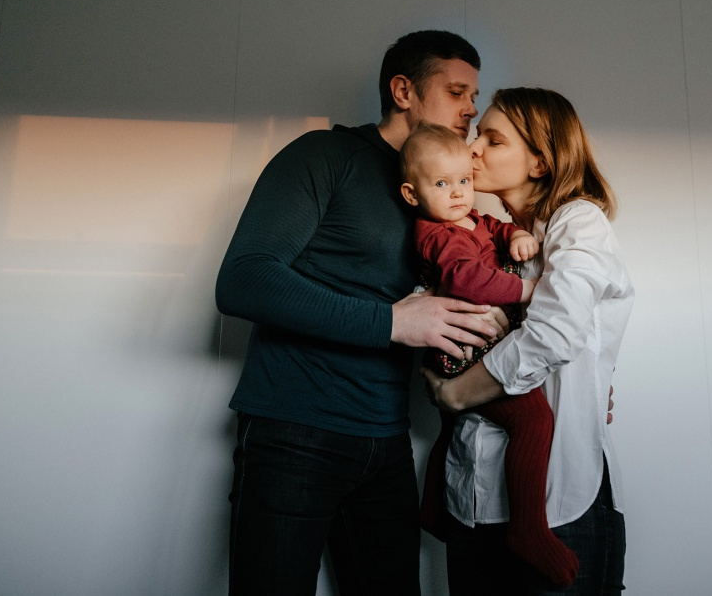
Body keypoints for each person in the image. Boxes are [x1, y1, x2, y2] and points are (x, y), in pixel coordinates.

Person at [215, 30, 505, 596]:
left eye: (474, 95)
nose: (471, 108)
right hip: (295, 431)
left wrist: (569, 381)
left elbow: (476, 296)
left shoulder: (449, 194)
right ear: (403, 91)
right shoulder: (325, 157)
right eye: (456, 92)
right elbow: (244, 279)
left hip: (386, 440)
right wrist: (392, 322)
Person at [422, 88, 634, 595]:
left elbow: (554, 334)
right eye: (477, 135)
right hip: (471, 498)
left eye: (493, 140)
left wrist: (456, 392)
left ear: (540, 161)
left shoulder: (577, 221)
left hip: (561, 505)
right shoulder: (482, 234)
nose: (472, 148)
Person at [398, 122, 579, 587]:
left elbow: (496, 229)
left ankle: (433, 506)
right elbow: (467, 279)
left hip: (478, 344)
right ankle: (529, 529)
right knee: (532, 418)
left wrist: (516, 236)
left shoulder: (472, 219)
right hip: (464, 350)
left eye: (463, 180)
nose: (459, 192)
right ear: (412, 194)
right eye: (442, 184)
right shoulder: (437, 235)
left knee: (458, 418)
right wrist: (526, 289)